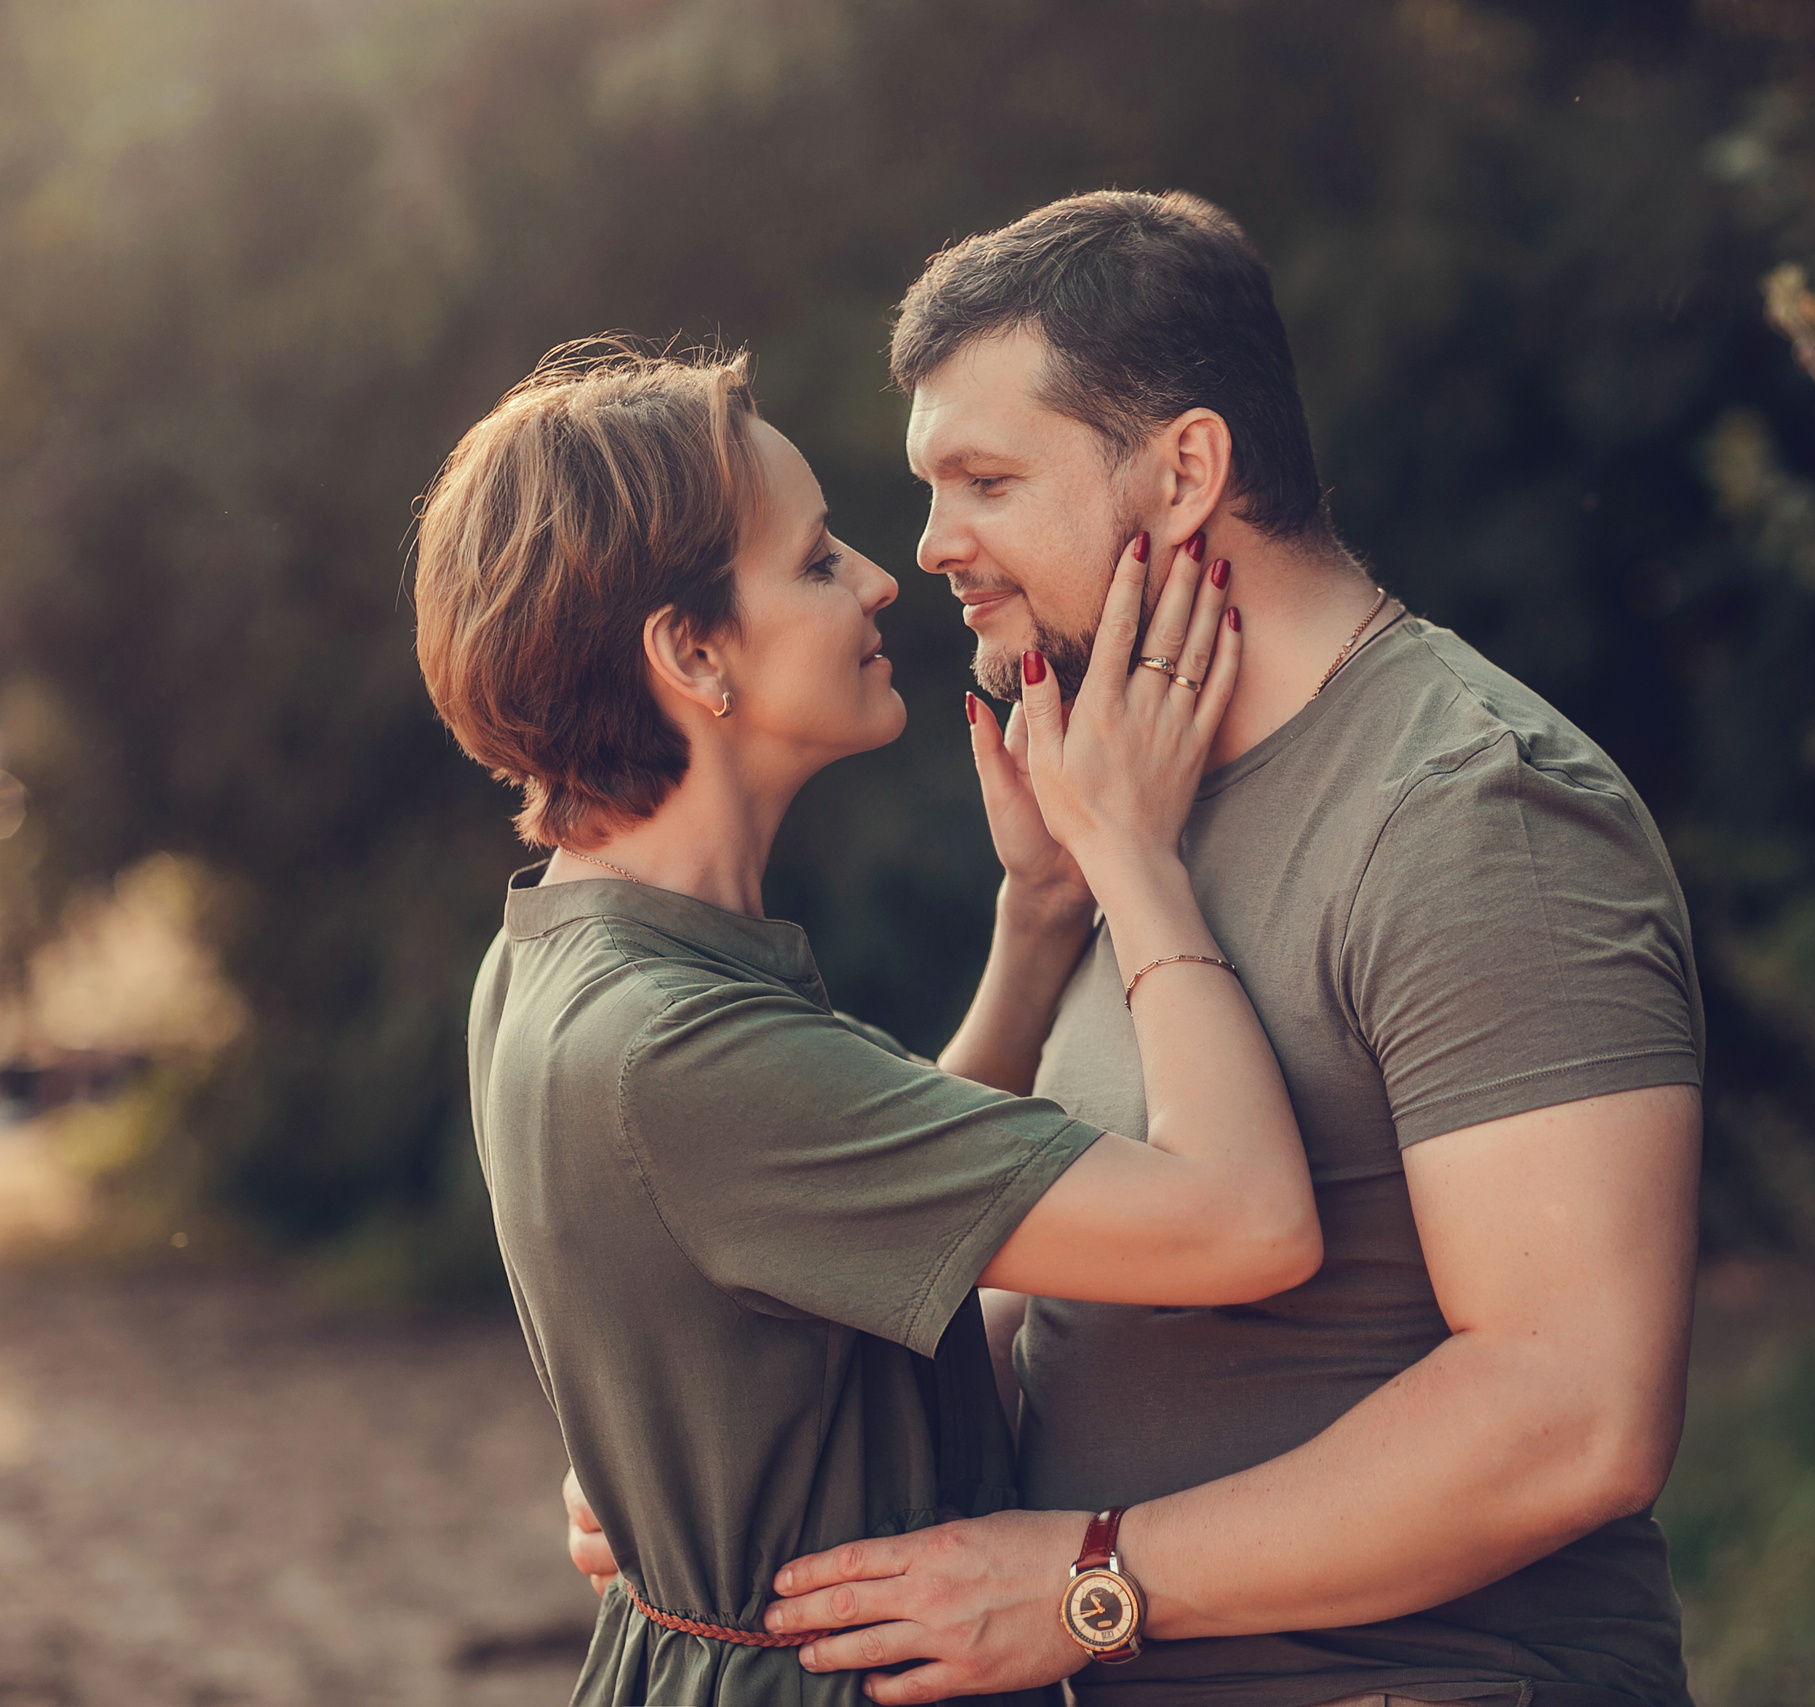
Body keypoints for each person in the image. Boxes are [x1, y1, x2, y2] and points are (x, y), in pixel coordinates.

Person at [575, 191, 1708, 1707]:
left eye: (987, 481)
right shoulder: (1132, 795)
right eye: (930, 487)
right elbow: (1062, 1312)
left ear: (1184, 472)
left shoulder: (1475, 811)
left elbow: (1575, 1410)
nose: (930, 549)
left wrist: (1092, 1580)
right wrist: (729, 1450)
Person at [413, 337, 1324, 1707]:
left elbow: (850, 1208)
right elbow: (1247, 1224)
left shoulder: (560, 956)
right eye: (817, 561)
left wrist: (1041, 917)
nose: (881, 578)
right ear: (693, 651)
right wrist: (1137, 859)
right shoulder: (678, 1048)